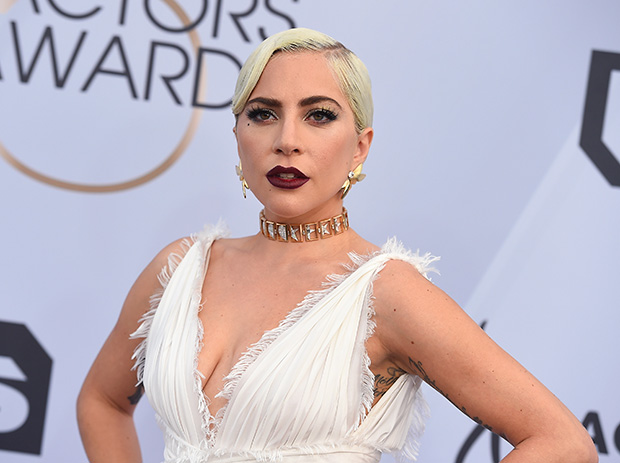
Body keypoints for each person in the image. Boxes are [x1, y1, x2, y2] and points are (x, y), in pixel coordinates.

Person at [77, 28, 597, 463]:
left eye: (319, 115)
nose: (287, 139)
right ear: (237, 134)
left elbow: (563, 444)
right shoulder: (181, 268)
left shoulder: (385, 293)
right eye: (263, 113)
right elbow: (102, 401)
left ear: (360, 147)